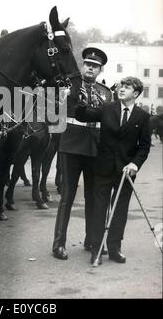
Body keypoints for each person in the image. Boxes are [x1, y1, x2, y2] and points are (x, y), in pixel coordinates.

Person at [75, 76, 151, 264]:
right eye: (121, 86)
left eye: (127, 87)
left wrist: (135, 164)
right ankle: (97, 249)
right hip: (103, 168)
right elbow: (83, 115)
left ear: (136, 93)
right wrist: (80, 102)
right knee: (99, 209)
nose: (122, 89)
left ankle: (115, 248)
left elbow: (144, 146)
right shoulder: (107, 108)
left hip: (126, 171)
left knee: (119, 210)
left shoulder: (142, 116)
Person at [53, 47, 112, 260]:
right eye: (87, 64)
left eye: (95, 66)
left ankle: (92, 240)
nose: (90, 68)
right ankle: (58, 243)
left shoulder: (107, 93)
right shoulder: (69, 85)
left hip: (95, 149)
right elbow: (56, 110)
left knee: (93, 198)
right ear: (82, 65)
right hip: (71, 146)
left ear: (100, 70)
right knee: (67, 196)